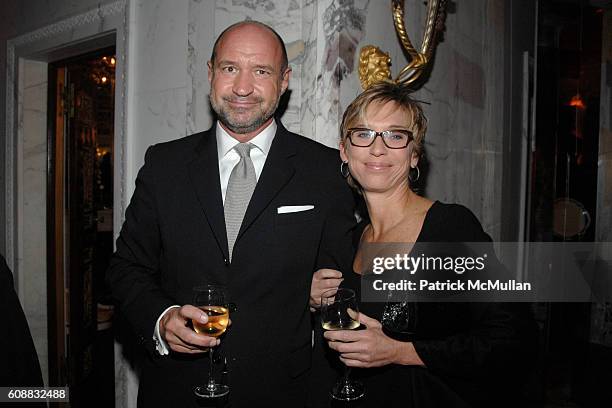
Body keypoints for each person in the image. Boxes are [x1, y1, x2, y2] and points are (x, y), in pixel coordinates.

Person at [107, 21, 355, 408]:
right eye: (229, 68)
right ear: (210, 74)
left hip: (280, 393)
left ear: (285, 80)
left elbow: (343, 280)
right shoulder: (164, 165)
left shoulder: (324, 170)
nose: (242, 87)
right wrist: (162, 317)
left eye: (261, 71)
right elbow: (125, 269)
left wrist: (314, 297)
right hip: (175, 391)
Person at [310, 82, 536, 407]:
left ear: (414, 155)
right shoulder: (350, 241)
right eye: (363, 134)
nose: (377, 149)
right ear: (345, 151)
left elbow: (513, 338)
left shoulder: (448, 228)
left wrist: (401, 351)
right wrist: (314, 301)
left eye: (395, 136)